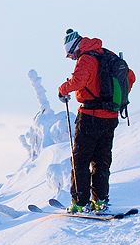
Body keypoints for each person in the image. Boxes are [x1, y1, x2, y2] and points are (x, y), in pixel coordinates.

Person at [57, 29, 135, 214]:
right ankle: (100, 200)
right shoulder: (107, 55)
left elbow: (77, 81)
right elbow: (130, 76)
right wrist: (115, 99)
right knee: (102, 160)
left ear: (74, 48)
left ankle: (80, 202)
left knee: (80, 159)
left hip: (90, 115)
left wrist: (62, 89)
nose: (72, 59)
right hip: (110, 116)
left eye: (71, 55)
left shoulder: (86, 59)